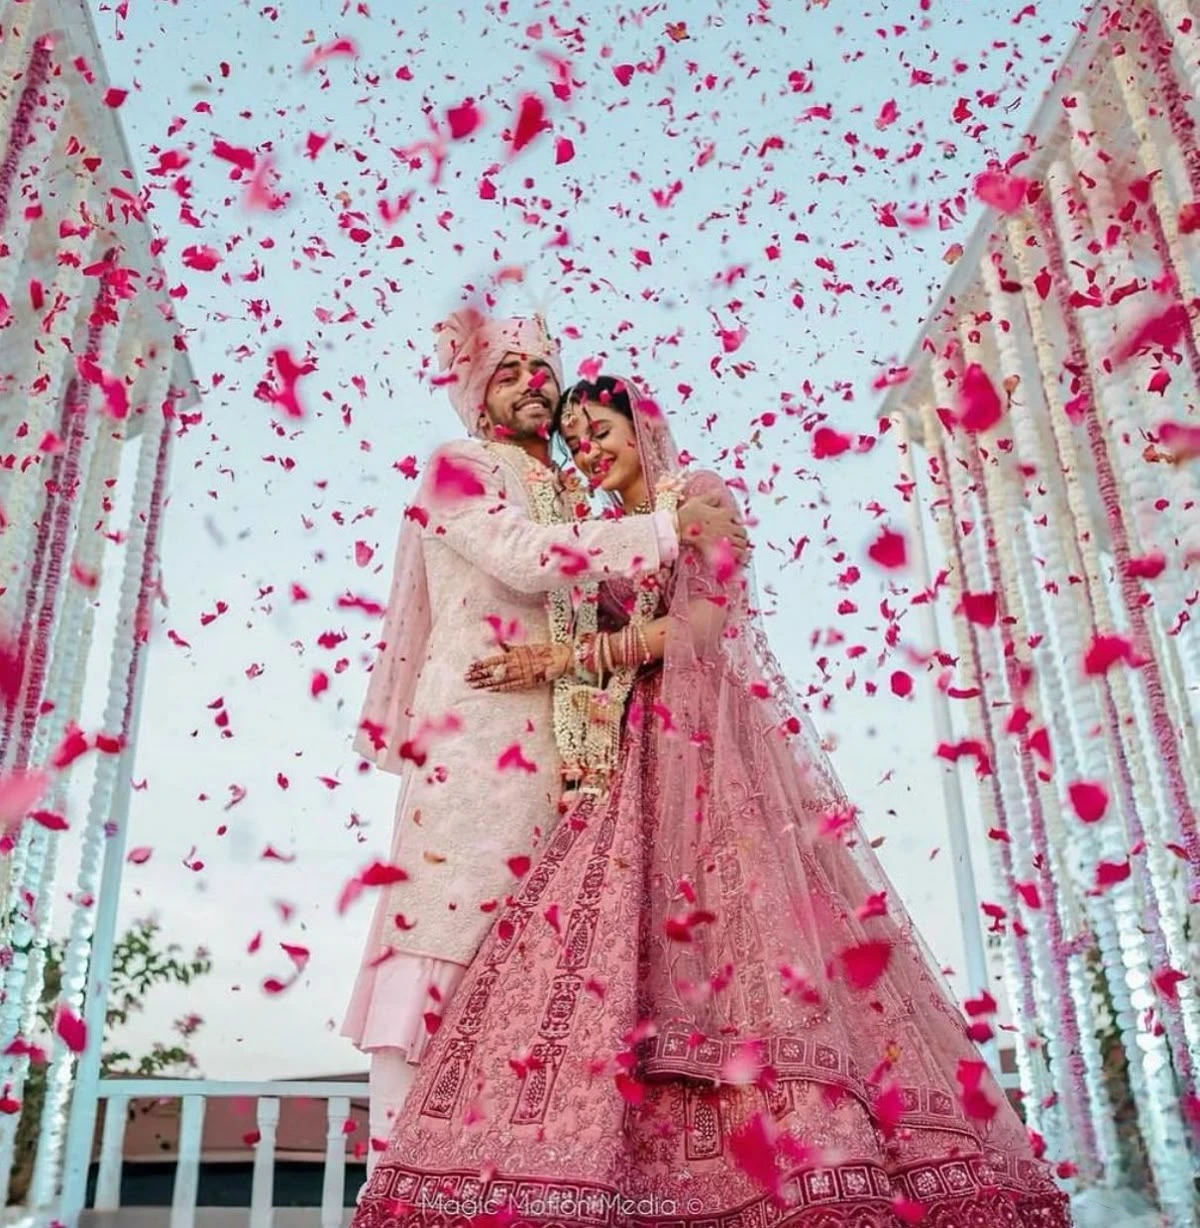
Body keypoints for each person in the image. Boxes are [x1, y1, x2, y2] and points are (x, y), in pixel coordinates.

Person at [350, 374, 1073, 1226]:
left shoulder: (695, 494)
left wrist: (558, 663)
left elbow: (704, 625)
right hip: (628, 753)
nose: (589, 445)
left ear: (642, 427)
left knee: (752, 939)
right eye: (577, 436)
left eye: (602, 428)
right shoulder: (609, 534)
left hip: (713, 747)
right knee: (618, 951)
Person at [344, 321, 746, 1170]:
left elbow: (617, 616)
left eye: (542, 371)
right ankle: (392, 1188)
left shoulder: (568, 492)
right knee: (440, 946)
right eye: (508, 374)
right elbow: (525, 560)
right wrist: (670, 529)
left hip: (570, 773)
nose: (531, 384)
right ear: (476, 396)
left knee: (532, 980)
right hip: (476, 748)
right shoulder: (459, 469)